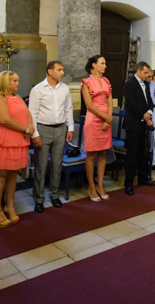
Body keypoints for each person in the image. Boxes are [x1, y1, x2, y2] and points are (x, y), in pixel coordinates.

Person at [0, 71, 33, 228]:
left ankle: (9, 206)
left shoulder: (17, 97)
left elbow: (27, 112)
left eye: (17, 80)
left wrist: (30, 126)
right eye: (14, 81)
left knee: (13, 174)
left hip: (18, 141)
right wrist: (26, 129)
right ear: (5, 82)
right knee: (1, 175)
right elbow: (5, 120)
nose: (18, 83)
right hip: (4, 142)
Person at [28, 61, 74, 212]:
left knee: (57, 164)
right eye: (59, 70)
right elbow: (32, 113)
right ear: (50, 71)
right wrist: (35, 134)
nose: (62, 73)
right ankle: (39, 198)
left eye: (62, 70)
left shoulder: (64, 88)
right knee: (41, 166)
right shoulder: (38, 89)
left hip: (60, 128)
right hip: (43, 129)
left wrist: (70, 128)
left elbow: (68, 109)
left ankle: (54, 195)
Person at [81, 56, 113, 202]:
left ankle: (100, 185)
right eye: (102, 63)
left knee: (103, 153)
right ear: (94, 65)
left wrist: (109, 118)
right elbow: (89, 105)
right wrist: (105, 117)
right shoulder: (86, 82)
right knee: (91, 154)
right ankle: (91, 186)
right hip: (93, 118)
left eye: (105, 63)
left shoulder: (106, 81)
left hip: (106, 118)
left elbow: (110, 100)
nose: (105, 66)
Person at [122, 61, 155, 195]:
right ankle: (129, 183)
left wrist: (149, 112)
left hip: (144, 124)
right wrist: (145, 116)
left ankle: (143, 178)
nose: (148, 75)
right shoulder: (129, 84)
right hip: (133, 123)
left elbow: (150, 102)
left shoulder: (146, 84)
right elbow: (132, 104)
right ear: (138, 71)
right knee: (132, 154)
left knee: (144, 153)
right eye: (145, 72)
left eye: (148, 73)